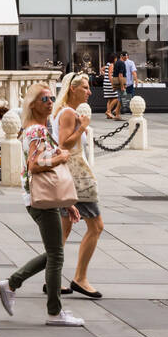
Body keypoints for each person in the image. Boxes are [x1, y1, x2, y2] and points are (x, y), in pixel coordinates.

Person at [0, 82, 84, 327]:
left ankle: (11, 284)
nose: (50, 102)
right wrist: (60, 158)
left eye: (52, 98)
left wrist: (67, 202)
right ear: (32, 104)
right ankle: (53, 312)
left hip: (44, 196)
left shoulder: (39, 128)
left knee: (54, 252)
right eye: (44, 99)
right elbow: (34, 166)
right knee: (56, 254)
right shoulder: (36, 131)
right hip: (39, 197)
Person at [52, 72, 104, 298]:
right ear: (72, 89)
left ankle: (52, 278)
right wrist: (82, 127)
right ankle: (80, 278)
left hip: (67, 176)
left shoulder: (64, 112)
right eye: (85, 87)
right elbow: (65, 143)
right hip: (77, 179)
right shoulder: (69, 114)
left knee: (63, 230)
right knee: (96, 226)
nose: (89, 91)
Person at [102, 55, 120, 120]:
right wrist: (112, 84)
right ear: (114, 59)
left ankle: (108, 115)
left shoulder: (107, 64)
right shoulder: (111, 65)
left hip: (106, 83)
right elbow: (110, 75)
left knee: (109, 99)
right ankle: (108, 111)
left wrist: (105, 75)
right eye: (116, 58)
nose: (116, 59)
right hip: (110, 83)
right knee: (117, 97)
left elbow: (101, 69)